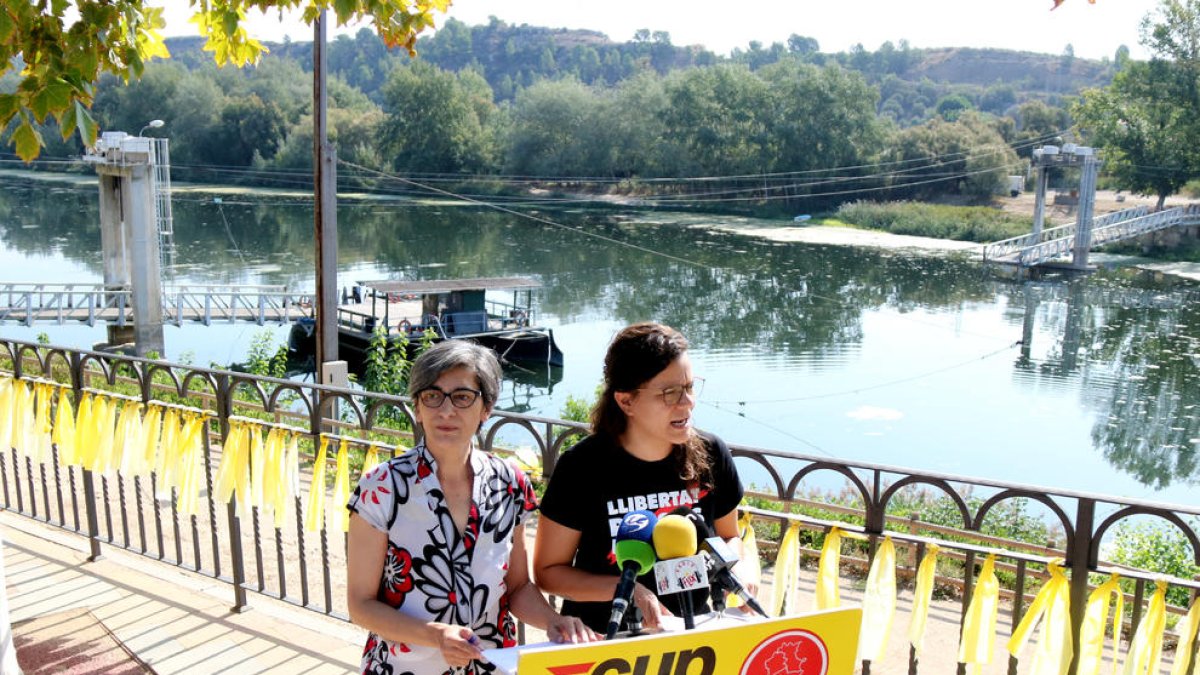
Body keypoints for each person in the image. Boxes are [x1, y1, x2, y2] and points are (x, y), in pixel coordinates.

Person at [347, 340, 596, 675]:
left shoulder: (509, 483)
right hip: (404, 667)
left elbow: (518, 587)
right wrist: (435, 636)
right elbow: (361, 605)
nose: (446, 410)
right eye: (432, 396)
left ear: (486, 408)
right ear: (418, 408)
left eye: (463, 397)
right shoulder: (382, 488)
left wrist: (555, 622)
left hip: (491, 664)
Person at [533, 322, 747, 634]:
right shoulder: (582, 467)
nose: (687, 403)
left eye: (689, 387)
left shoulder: (711, 452)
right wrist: (627, 589)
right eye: (670, 393)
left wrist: (740, 569)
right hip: (607, 641)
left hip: (695, 632)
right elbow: (548, 573)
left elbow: (730, 538)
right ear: (626, 401)